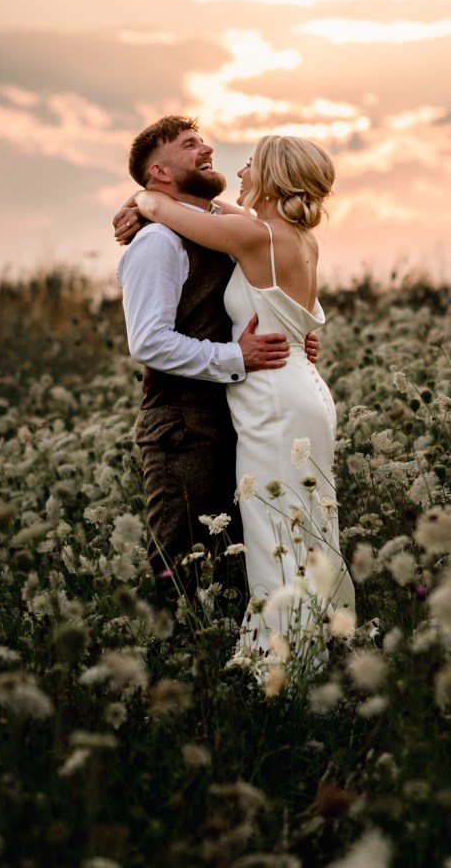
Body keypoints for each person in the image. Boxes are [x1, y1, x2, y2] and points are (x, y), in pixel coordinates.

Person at [116, 134, 355, 661]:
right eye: (190, 144)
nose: (237, 169)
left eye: (250, 165)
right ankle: (309, 650)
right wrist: (145, 202)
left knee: (277, 533)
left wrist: (145, 201)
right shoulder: (288, 235)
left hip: (273, 395)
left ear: (271, 177)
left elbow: (176, 206)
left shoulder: (252, 235)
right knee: (301, 526)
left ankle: (285, 671)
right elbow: (202, 211)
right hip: (297, 385)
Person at [114, 115, 303, 612]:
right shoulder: (158, 242)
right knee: (183, 571)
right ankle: (175, 681)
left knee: (232, 571)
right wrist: (237, 356)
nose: (206, 150)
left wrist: (291, 340)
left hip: (234, 421)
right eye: (189, 144)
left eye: (203, 141)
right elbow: (149, 342)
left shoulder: (217, 229)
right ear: (159, 171)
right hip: (179, 427)